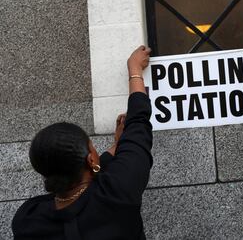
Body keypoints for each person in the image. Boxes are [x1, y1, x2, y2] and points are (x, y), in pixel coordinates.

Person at [12, 46, 153, 239]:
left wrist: (115, 147)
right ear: (90, 160)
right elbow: (138, 124)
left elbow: (92, 173)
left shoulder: (28, 219)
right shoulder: (117, 193)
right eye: (92, 147)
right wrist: (135, 71)